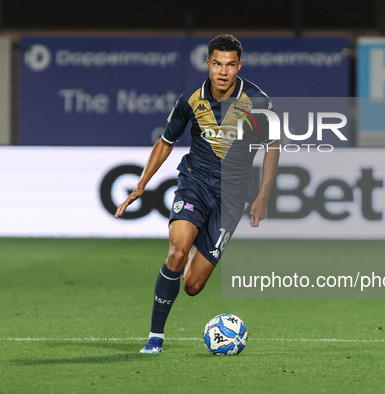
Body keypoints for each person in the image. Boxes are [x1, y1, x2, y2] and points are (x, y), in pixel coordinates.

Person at [114, 34, 280, 354]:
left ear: (239, 66)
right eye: (217, 63)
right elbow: (166, 141)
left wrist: (262, 197)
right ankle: (155, 337)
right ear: (208, 63)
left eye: (230, 65)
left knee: (192, 286)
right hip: (195, 182)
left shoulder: (258, 102)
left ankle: (195, 241)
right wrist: (141, 184)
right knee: (177, 252)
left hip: (231, 198)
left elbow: (273, 146)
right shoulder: (191, 100)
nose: (223, 71)